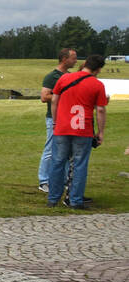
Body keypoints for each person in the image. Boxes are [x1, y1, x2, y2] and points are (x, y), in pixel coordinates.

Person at [48, 54, 109, 210]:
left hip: (62, 128)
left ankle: (53, 198)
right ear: (98, 69)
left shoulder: (64, 79)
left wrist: (55, 122)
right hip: (83, 130)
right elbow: (100, 110)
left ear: (85, 63)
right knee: (79, 164)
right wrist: (101, 132)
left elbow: (54, 100)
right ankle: (75, 200)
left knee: (57, 162)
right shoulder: (97, 85)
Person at [39, 48, 78, 194]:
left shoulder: (70, 76)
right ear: (64, 59)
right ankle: (44, 181)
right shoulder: (52, 76)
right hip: (53, 118)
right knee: (50, 149)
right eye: (73, 58)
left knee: (66, 151)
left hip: (67, 118)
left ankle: (64, 180)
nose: (75, 61)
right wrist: (62, 96)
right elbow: (44, 97)